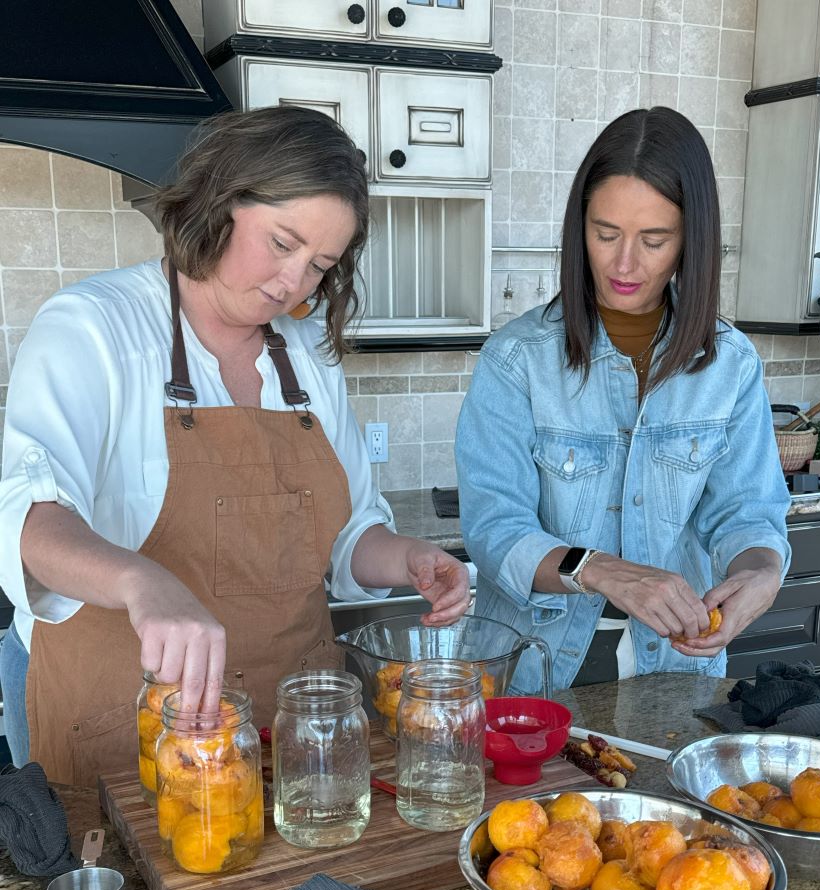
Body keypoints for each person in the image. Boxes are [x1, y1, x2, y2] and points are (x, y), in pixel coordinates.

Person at [0, 106, 470, 784]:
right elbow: (27, 520)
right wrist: (143, 583)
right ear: (220, 200)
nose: (293, 283)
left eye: (320, 265)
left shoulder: (309, 358)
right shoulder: (94, 328)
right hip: (130, 717)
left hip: (292, 720)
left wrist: (411, 559)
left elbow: (348, 536)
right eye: (282, 243)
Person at [455, 107, 790, 694]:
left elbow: (747, 511)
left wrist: (761, 572)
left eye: (654, 240)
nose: (624, 263)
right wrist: (603, 572)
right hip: (535, 670)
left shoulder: (731, 365)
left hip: (676, 669)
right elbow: (495, 531)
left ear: (692, 240)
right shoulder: (516, 360)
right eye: (605, 234)